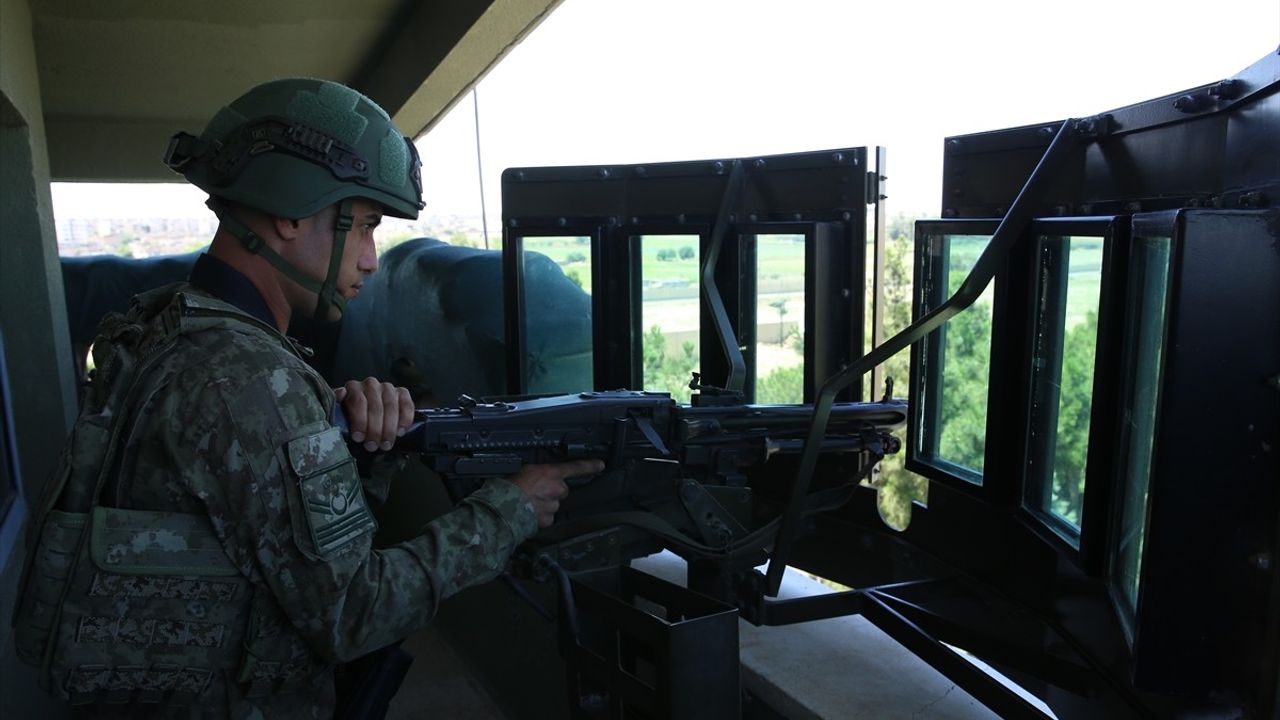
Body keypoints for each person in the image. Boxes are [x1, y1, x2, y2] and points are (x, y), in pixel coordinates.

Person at [13, 78, 601, 717]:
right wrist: (511, 508)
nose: (372, 260)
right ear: (291, 212)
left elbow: (250, 533)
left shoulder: (173, 323)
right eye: (366, 227)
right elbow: (353, 612)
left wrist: (360, 450)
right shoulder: (248, 381)